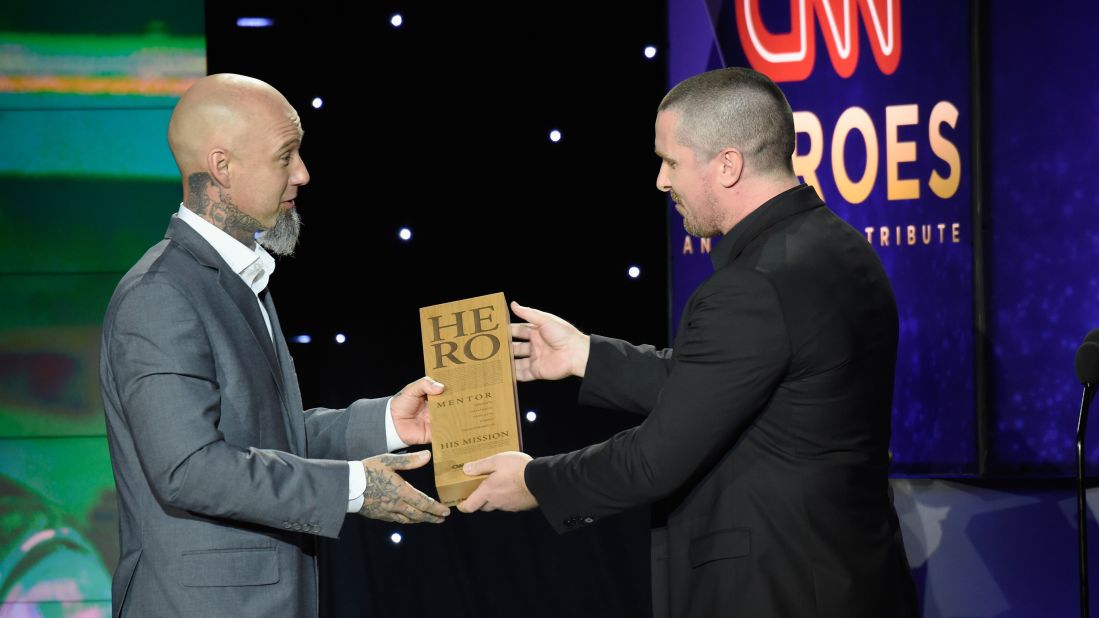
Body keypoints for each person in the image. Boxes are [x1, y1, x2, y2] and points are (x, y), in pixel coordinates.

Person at [458, 67, 918, 617]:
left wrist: (534, 480)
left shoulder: (755, 283)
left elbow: (654, 459)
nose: (660, 180)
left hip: (776, 589)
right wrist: (585, 355)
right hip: (845, 578)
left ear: (727, 165)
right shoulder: (839, 246)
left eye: (671, 161)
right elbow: (725, 384)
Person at [99, 73, 451, 617]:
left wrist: (386, 422)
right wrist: (354, 487)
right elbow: (190, 469)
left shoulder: (237, 280)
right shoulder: (161, 294)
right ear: (222, 168)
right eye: (286, 156)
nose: (304, 174)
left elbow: (261, 436)